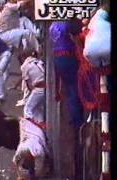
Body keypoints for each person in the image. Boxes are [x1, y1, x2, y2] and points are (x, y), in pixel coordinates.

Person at [49, 19, 84, 180]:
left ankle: (76, 120)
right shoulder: (67, 24)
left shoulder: (53, 26)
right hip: (70, 58)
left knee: (71, 90)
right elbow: (77, 39)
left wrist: (57, 89)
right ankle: (79, 123)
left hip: (59, 59)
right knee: (75, 89)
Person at [20, 52, 45, 123]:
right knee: (38, 109)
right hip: (47, 88)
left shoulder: (25, 66)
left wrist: (32, 93)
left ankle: (29, 127)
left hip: (38, 88)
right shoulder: (38, 61)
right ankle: (40, 124)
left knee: (27, 109)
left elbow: (28, 84)